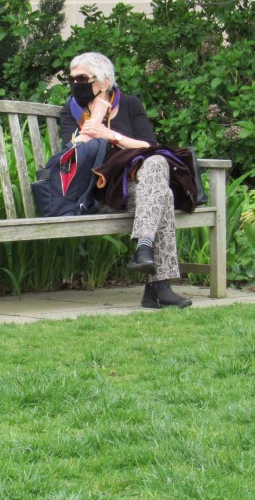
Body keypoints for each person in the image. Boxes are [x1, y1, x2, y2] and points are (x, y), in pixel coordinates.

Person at [58, 51, 192, 309]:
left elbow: (149, 146)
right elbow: (72, 153)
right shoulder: (71, 111)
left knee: (157, 162)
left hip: (135, 188)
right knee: (163, 196)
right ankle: (158, 287)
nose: (76, 84)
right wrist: (96, 117)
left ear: (105, 82)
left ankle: (144, 246)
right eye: (72, 79)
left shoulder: (130, 104)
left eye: (82, 78)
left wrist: (110, 135)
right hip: (98, 192)